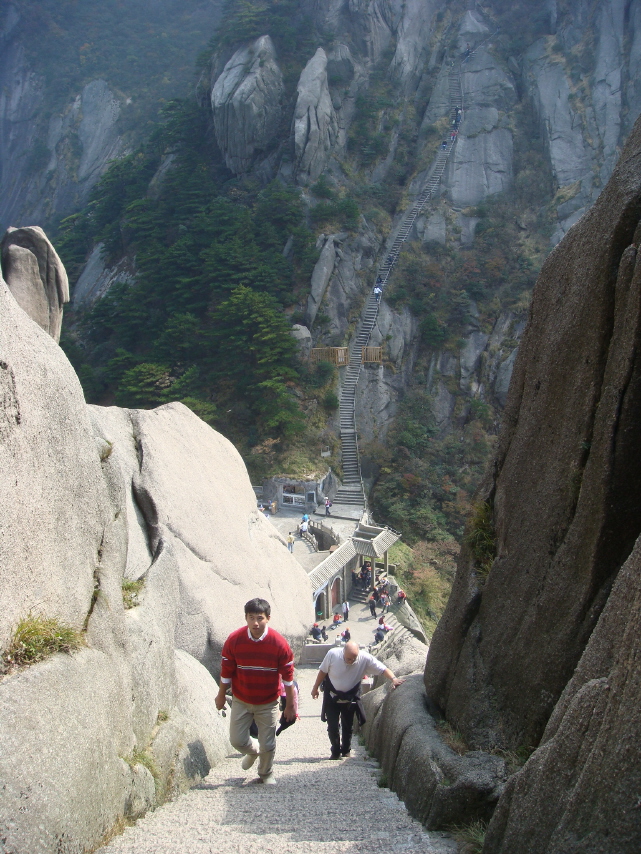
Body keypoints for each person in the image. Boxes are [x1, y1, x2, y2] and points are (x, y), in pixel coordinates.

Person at [215, 598, 296, 785]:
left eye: (260, 618)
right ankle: (254, 750)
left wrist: (289, 706)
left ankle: (265, 773)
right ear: (246, 618)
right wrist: (221, 695)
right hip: (242, 698)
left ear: (268, 618)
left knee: (269, 743)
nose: (255, 623)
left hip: (268, 700)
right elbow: (226, 672)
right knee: (237, 740)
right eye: (251, 618)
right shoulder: (235, 640)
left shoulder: (279, 643)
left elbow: (288, 679)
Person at [311, 641, 403, 759]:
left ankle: (346, 750)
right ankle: (335, 750)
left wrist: (394, 679)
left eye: (354, 658)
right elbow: (322, 671)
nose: (351, 661)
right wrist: (315, 688)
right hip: (332, 696)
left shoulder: (364, 658)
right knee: (332, 725)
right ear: (343, 652)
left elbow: (382, 668)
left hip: (350, 697)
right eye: (348, 659)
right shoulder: (333, 654)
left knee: (348, 725)